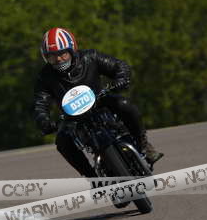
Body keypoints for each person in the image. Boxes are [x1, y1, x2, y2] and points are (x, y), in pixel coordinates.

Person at [33, 27, 164, 178]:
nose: (58, 59)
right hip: (73, 118)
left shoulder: (91, 57)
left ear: (72, 50)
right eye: (52, 56)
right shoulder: (44, 76)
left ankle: (144, 144)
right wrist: (43, 120)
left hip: (101, 101)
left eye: (62, 53)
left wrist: (121, 78)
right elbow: (40, 103)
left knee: (124, 104)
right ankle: (92, 178)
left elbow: (119, 65)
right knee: (62, 141)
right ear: (46, 58)